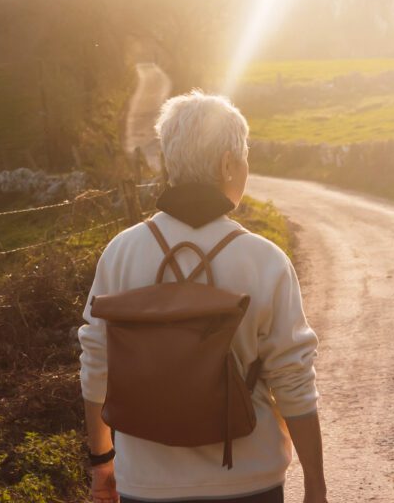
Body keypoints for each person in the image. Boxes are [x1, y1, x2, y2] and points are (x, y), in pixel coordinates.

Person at [78, 90, 327, 503]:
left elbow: (96, 366)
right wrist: (315, 484)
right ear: (228, 164)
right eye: (244, 158)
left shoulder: (121, 253)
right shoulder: (264, 261)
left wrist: (103, 461)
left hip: (146, 484)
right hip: (249, 482)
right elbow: (293, 380)